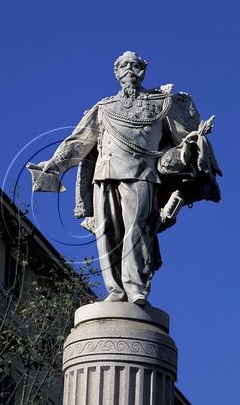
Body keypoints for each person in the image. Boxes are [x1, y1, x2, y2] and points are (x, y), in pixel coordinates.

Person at [36, 51, 221, 304]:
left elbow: (182, 140)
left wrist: (192, 144)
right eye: (124, 65)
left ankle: (135, 287)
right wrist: (55, 165)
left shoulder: (161, 104)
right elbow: (78, 142)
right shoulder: (104, 108)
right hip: (105, 174)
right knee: (106, 233)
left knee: (137, 229)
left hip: (142, 174)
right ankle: (115, 290)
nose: (129, 69)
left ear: (143, 71)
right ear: (116, 72)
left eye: (135, 65)